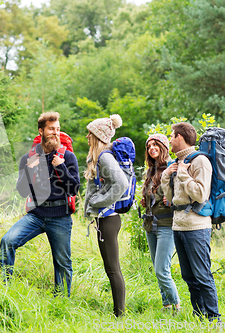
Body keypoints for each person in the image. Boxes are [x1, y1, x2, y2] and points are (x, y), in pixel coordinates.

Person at [0, 112, 80, 296]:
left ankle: (61, 303)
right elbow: (21, 191)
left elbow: (74, 189)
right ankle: (4, 289)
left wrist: (61, 166)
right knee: (7, 241)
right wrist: (29, 169)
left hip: (61, 216)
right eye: (51, 129)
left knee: (63, 264)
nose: (55, 132)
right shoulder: (28, 159)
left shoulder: (67, 157)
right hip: (36, 215)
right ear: (41, 130)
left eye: (58, 129)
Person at [161, 122, 221, 322]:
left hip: (196, 226)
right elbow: (170, 199)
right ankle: (199, 315)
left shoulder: (200, 161)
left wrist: (184, 173)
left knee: (202, 275)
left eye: (171, 135)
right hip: (178, 225)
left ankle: (214, 318)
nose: (169, 139)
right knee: (189, 276)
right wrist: (166, 176)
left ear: (180, 137)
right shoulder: (178, 162)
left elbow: (200, 194)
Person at [84, 114, 128, 317]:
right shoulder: (100, 157)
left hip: (109, 218)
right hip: (106, 218)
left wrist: (98, 202)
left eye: (90, 133)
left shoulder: (104, 157)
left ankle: (119, 314)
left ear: (98, 136)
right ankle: (118, 311)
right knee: (110, 267)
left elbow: (122, 184)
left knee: (113, 268)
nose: (86, 137)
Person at [141, 134, 182, 314]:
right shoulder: (151, 171)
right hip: (151, 225)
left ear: (163, 146)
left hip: (166, 224)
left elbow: (182, 193)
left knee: (161, 270)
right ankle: (166, 306)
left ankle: (177, 306)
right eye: (149, 146)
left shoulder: (173, 167)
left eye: (155, 144)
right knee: (158, 269)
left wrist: (172, 198)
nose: (151, 148)